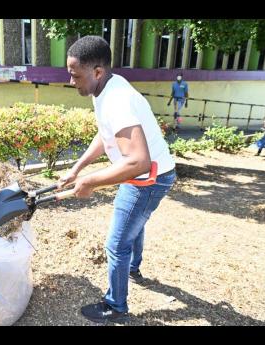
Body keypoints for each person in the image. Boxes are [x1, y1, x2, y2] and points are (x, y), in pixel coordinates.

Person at [58, 36, 176, 324]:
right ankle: (133, 268)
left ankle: (116, 306)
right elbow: (106, 134)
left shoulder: (117, 100)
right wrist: (77, 168)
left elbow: (138, 161)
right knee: (134, 224)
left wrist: (90, 182)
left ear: (97, 71)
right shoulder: (107, 88)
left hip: (148, 178)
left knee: (116, 244)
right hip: (149, 173)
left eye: (76, 75)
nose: (72, 81)